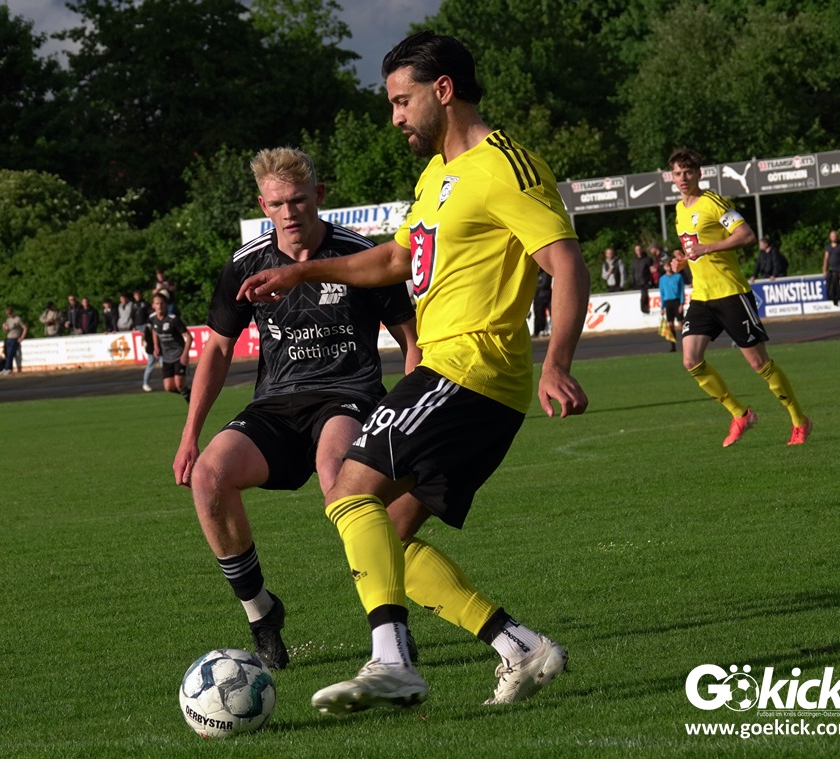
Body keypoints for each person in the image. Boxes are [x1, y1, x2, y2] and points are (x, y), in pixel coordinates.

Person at [238, 30, 590, 715]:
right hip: (460, 375)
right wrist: (302, 271)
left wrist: (558, 362)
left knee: (347, 489)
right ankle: (519, 645)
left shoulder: (507, 166)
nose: (395, 116)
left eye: (402, 101)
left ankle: (393, 663)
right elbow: (396, 261)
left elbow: (566, 263)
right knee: (387, 536)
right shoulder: (435, 176)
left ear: (443, 90)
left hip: (471, 366)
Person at [172, 146, 421, 671]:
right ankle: (261, 614)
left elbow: (411, 339)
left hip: (348, 395)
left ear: (319, 195)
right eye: (277, 203)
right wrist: (190, 434)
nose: (289, 212)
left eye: (299, 200)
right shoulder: (246, 263)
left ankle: (389, 626)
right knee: (210, 476)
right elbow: (217, 349)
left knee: (337, 478)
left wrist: (409, 413)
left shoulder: (358, 255)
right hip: (277, 402)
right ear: (263, 205)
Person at [668, 147, 810, 446]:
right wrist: (681, 261)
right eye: (678, 173)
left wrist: (707, 248)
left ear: (699, 173)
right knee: (691, 360)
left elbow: (746, 235)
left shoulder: (714, 202)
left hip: (731, 293)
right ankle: (740, 414)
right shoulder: (679, 210)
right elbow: (694, 249)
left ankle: (799, 420)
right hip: (702, 297)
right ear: (672, 176)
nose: (683, 178)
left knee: (759, 364)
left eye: (688, 172)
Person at [149, 293, 191, 402]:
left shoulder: (173, 319)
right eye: (157, 303)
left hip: (179, 356)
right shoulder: (152, 318)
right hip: (166, 358)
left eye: (162, 303)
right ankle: (192, 395)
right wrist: (156, 346)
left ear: (166, 304)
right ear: (153, 305)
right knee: (168, 387)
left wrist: (185, 354)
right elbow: (154, 331)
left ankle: (193, 403)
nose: (159, 306)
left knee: (179, 384)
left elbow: (189, 337)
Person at [658, 259, 685, 351]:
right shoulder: (662, 279)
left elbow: (681, 291)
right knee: (670, 324)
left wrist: (681, 303)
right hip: (668, 302)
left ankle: (685, 344)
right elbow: (662, 293)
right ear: (664, 267)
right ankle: (673, 346)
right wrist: (662, 307)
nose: (668, 268)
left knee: (681, 324)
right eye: (666, 266)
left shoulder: (678, 277)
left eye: (669, 265)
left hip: (676, 301)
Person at [2, 307, 28, 374]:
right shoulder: (8, 320)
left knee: (10, 353)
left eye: (10, 313)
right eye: (7, 314)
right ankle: (7, 368)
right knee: (7, 353)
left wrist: (22, 337)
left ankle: (8, 368)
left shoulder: (17, 319)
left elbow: (25, 328)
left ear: (12, 312)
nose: (9, 315)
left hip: (15, 338)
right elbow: (7, 331)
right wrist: (4, 328)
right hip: (8, 337)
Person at [630, 243, 653, 314]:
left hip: (645, 283)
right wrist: (633, 282)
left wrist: (650, 281)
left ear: (642, 250)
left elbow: (651, 271)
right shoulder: (634, 261)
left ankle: (645, 309)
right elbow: (633, 272)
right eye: (637, 250)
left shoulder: (647, 259)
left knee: (644, 296)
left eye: (639, 249)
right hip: (636, 283)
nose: (638, 251)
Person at [532, 269, 552, 336]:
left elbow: (544, 284)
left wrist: (536, 285)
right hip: (537, 297)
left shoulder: (546, 274)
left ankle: (543, 329)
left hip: (545, 296)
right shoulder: (537, 274)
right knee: (537, 314)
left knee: (542, 314)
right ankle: (537, 330)